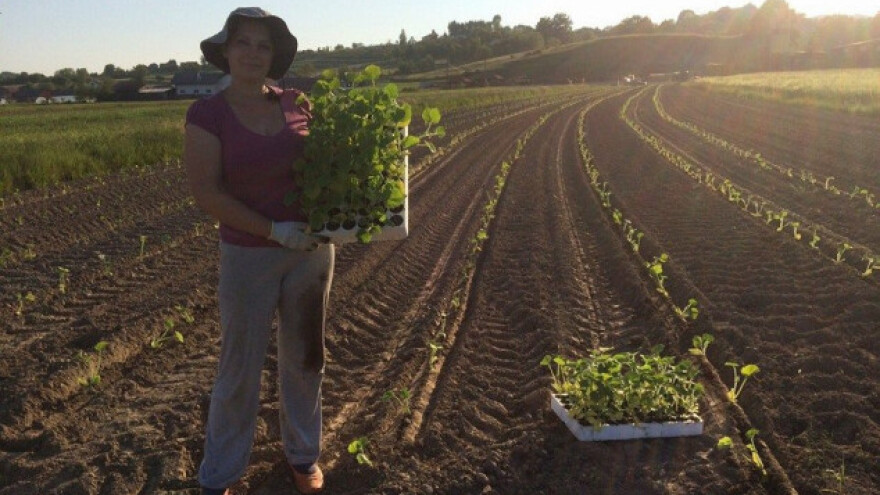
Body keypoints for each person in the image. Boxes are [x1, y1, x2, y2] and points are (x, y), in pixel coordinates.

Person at [183, 7, 331, 495]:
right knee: (239, 368)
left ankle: (303, 456)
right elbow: (208, 193)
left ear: (274, 56)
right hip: (249, 255)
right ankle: (221, 473)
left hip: (310, 250)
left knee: (306, 359)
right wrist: (274, 231)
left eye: (263, 45)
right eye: (243, 42)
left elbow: (329, 165)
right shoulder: (207, 114)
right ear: (226, 51)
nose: (253, 52)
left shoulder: (298, 103)